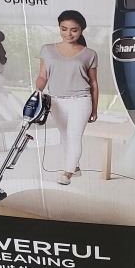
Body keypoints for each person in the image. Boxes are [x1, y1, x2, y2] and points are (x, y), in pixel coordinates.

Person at [36, 10, 99, 185]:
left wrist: (94, 109)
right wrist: (37, 92)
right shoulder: (47, 49)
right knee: (64, 136)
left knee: (74, 136)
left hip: (81, 100)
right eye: (64, 29)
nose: (68, 34)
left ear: (81, 30)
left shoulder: (90, 54)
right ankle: (75, 167)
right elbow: (42, 76)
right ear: (59, 28)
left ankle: (67, 173)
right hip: (56, 101)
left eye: (74, 30)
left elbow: (94, 83)